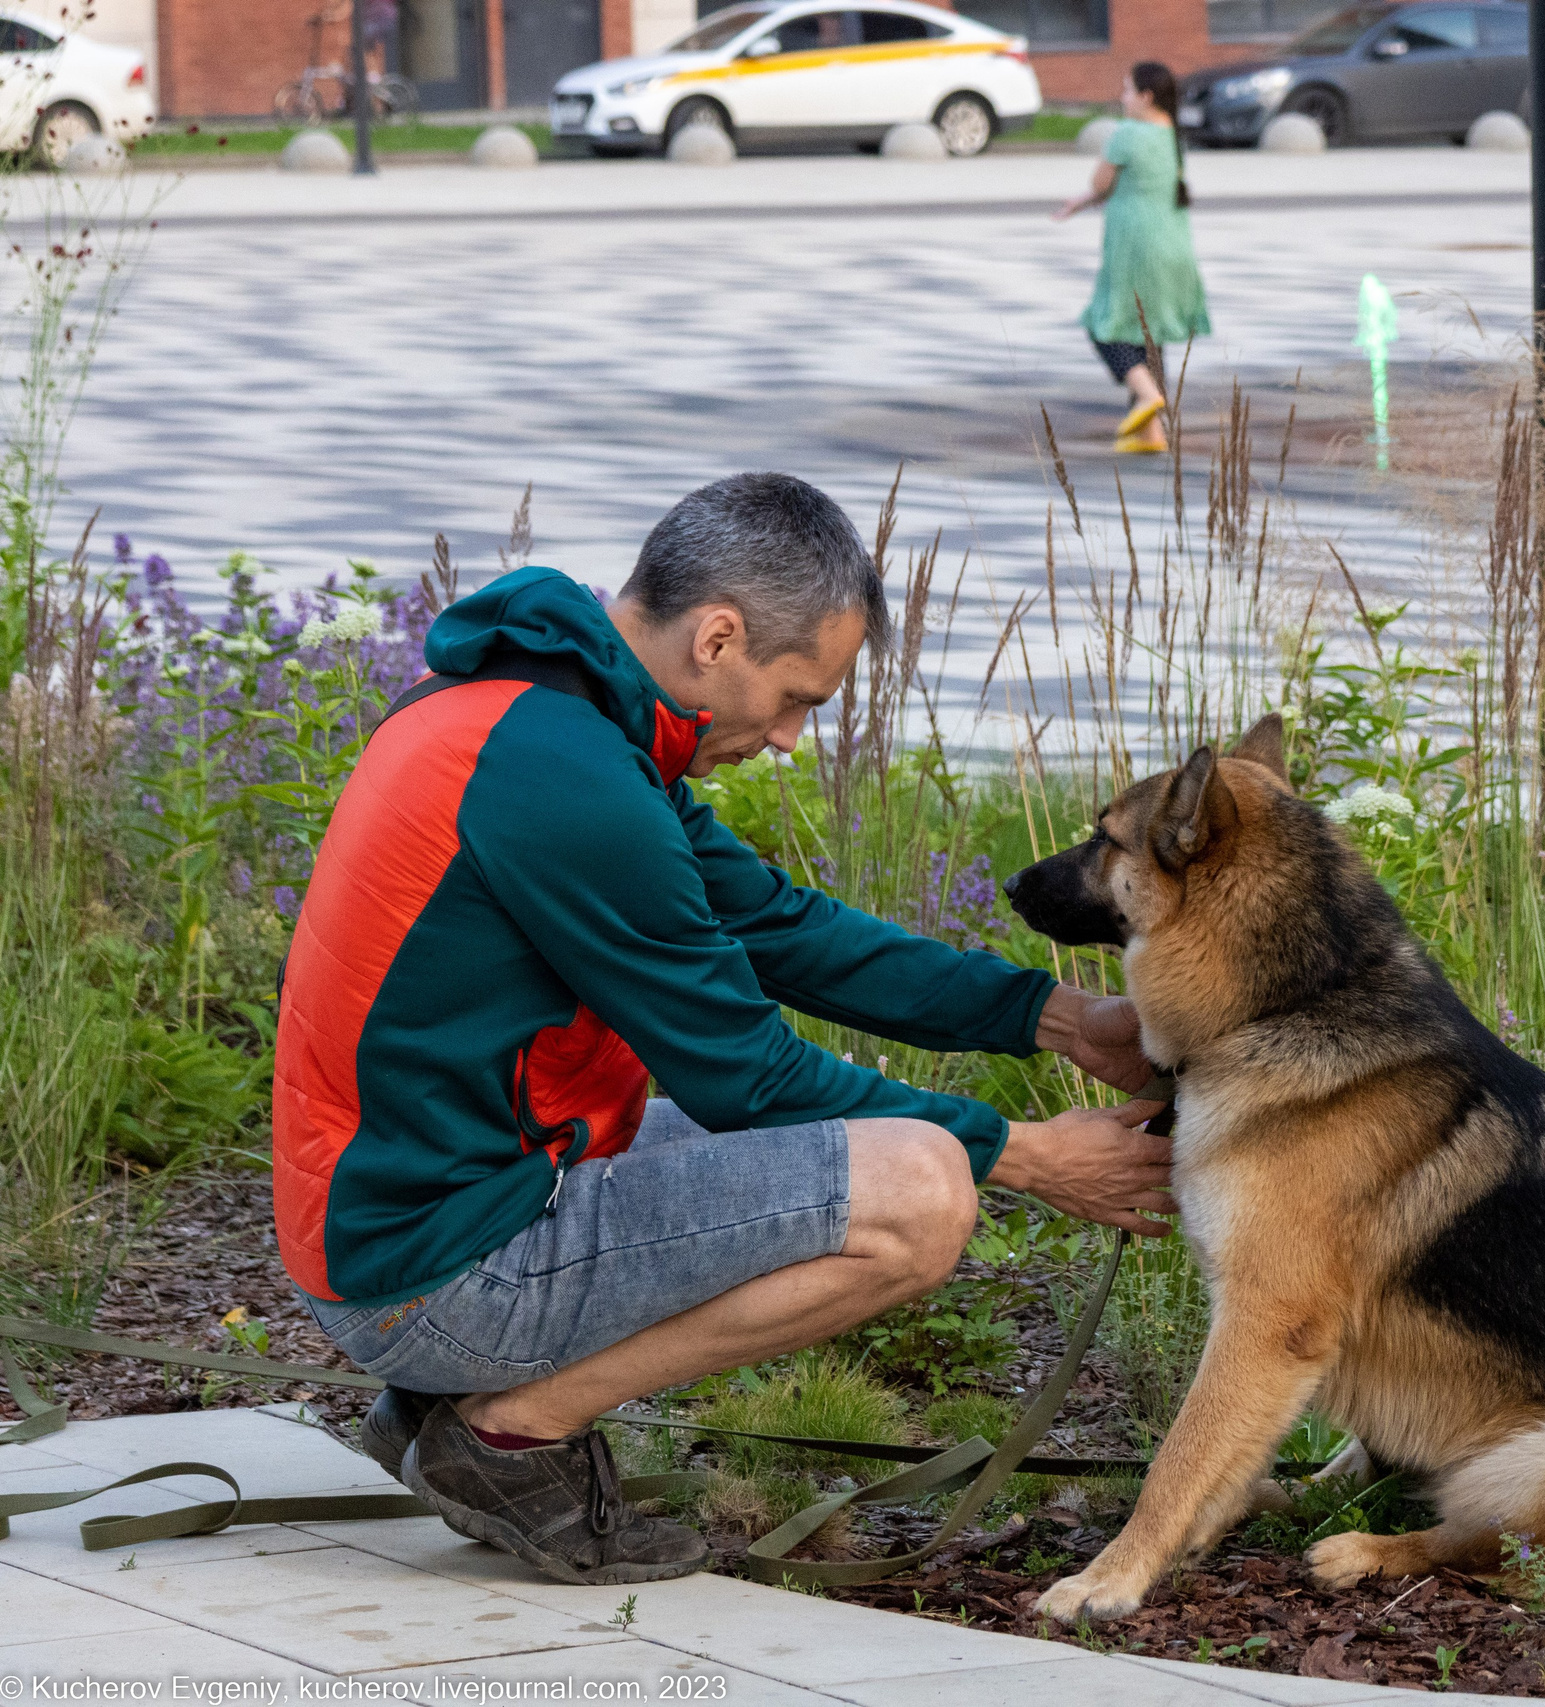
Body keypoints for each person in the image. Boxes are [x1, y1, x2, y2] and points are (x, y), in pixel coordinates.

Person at [278, 473, 1174, 1586]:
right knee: (922, 1194)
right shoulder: (573, 782)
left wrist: (1064, 1019)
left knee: (887, 1157)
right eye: (798, 697)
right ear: (718, 637)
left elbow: (782, 930)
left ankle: (445, 1401)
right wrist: (1028, 1157)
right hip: (429, 1269)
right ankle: (505, 1434)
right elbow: (747, 1079)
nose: (795, 739)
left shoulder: (540, 719)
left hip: (421, 1211)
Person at [1055, 62, 1212, 455]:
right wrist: (1084, 203)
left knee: (1105, 324)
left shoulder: (1126, 134)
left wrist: (1088, 194)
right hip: (1174, 246)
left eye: (1127, 90)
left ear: (1146, 97)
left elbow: (1101, 182)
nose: (1122, 98)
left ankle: (1146, 397)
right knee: (1152, 335)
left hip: (1135, 248)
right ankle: (1151, 435)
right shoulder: (1172, 136)